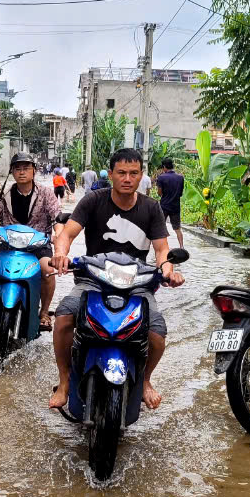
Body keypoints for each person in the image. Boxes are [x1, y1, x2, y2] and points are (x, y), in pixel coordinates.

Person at [49, 147, 185, 412]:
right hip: (93, 280)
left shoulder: (151, 208)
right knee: (65, 316)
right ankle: (65, 381)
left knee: (157, 333)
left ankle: (145, 381)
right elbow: (67, 234)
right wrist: (61, 254)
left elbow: (161, 250)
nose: (127, 178)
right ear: (110, 174)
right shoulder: (92, 201)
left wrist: (168, 271)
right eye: (121, 172)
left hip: (137, 285)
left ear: (141, 176)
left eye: (133, 173)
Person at [0, 152, 61, 332]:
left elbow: (56, 216)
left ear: (34, 171)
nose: (22, 172)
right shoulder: (6, 192)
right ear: (12, 172)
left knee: (48, 269)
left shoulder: (45, 193)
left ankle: (44, 313)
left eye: (26, 168)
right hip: (9, 244)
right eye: (17, 169)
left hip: (37, 246)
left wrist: (58, 235)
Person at [156, 158, 186, 249]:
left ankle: (162, 247)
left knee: (161, 227)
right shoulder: (180, 178)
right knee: (177, 228)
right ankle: (181, 246)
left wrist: (165, 196)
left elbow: (159, 193)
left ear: (164, 167)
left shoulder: (161, 177)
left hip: (164, 205)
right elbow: (180, 193)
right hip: (175, 206)